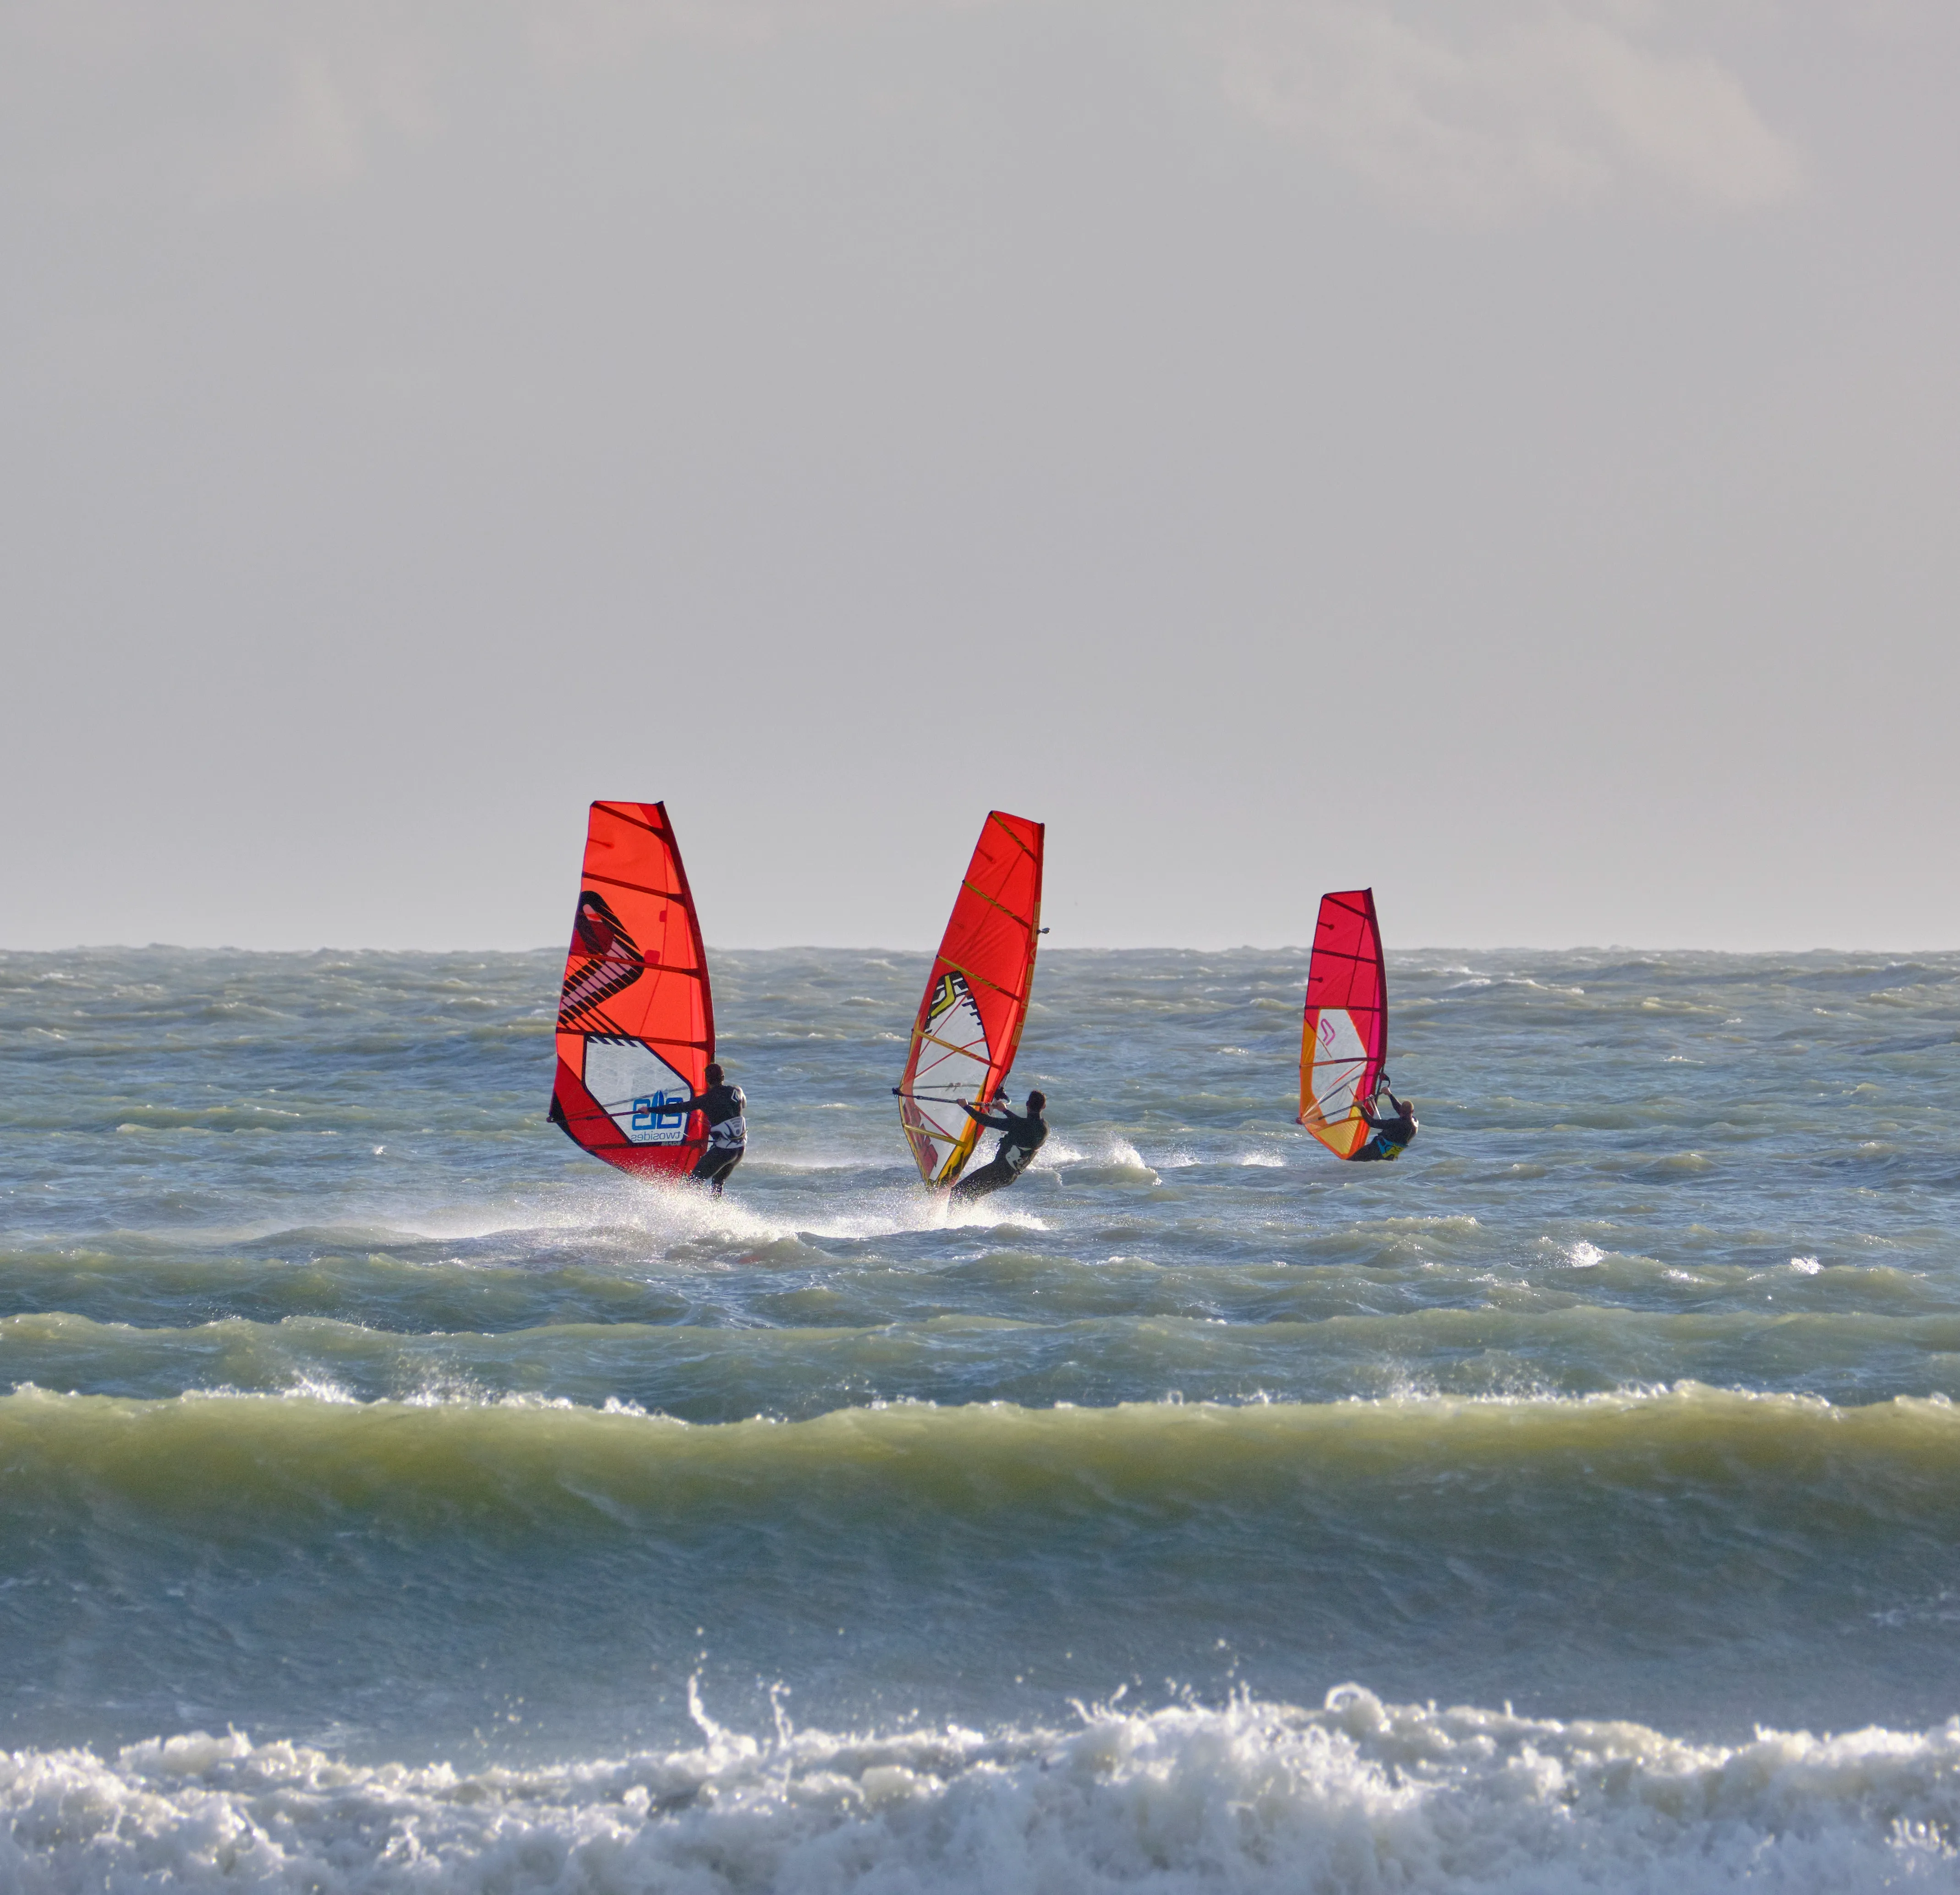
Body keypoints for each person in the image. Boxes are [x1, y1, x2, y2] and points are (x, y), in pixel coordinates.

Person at [949, 1089, 1048, 1202]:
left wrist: (966, 1106)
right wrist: (1005, 1111)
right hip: (1010, 1177)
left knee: (957, 1192)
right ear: (1044, 1106)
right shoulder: (1045, 1128)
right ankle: (965, 1218)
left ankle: (950, 1219)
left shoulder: (1018, 1125)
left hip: (996, 1172)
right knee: (971, 1195)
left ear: (1027, 1105)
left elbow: (985, 1120)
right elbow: (1023, 1124)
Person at [669, 1063, 747, 1195]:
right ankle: (715, 1212)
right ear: (723, 1077)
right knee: (718, 1183)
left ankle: (692, 1213)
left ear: (707, 1080)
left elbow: (678, 1108)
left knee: (693, 1183)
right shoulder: (737, 1091)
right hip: (740, 1149)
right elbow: (743, 1104)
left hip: (724, 1150)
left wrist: (649, 1110)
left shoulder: (706, 1100)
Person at [1353, 1077, 1417, 1161]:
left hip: (1375, 1151)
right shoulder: (1415, 1123)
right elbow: (1401, 1110)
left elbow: (1372, 1123)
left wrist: (1362, 1108)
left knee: (1350, 1161)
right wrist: (1390, 1095)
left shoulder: (1396, 1123)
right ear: (1412, 1111)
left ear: (1401, 1111)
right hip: (1389, 1156)